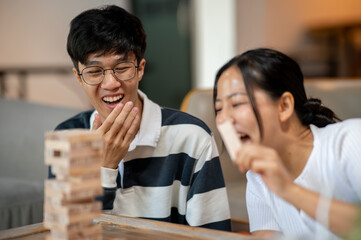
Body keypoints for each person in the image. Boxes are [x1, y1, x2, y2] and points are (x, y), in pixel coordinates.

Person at [50, 5, 231, 231]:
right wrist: (105, 167)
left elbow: (214, 235)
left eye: (122, 67)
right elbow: (69, 234)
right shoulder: (67, 137)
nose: (110, 83)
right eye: (94, 72)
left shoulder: (193, 137)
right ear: (78, 78)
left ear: (140, 69)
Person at [213, 48, 361, 239]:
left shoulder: (350, 141)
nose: (223, 119)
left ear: (284, 106)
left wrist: (288, 190)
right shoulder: (258, 179)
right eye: (218, 108)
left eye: (237, 104)